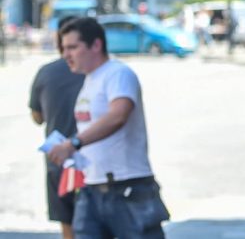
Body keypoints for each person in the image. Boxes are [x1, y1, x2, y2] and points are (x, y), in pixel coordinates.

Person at [47, 17, 170, 239]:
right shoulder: (89, 81)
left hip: (126, 189)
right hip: (91, 187)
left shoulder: (117, 74)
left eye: (73, 47)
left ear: (96, 45)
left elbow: (118, 115)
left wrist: (74, 143)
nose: (66, 55)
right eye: (64, 48)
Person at [29, 18, 85, 239]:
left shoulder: (46, 72)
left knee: (68, 223)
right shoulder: (100, 72)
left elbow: (37, 117)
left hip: (58, 159)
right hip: (91, 159)